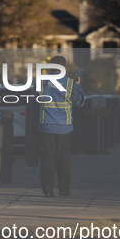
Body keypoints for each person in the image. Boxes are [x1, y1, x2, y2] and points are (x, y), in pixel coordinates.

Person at [27, 55, 84, 198]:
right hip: (65, 127)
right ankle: (64, 189)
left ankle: (47, 190)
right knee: (64, 158)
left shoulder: (40, 82)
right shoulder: (70, 83)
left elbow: (34, 104)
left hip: (45, 126)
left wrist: (36, 120)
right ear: (63, 67)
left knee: (47, 159)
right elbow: (79, 102)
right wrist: (78, 86)